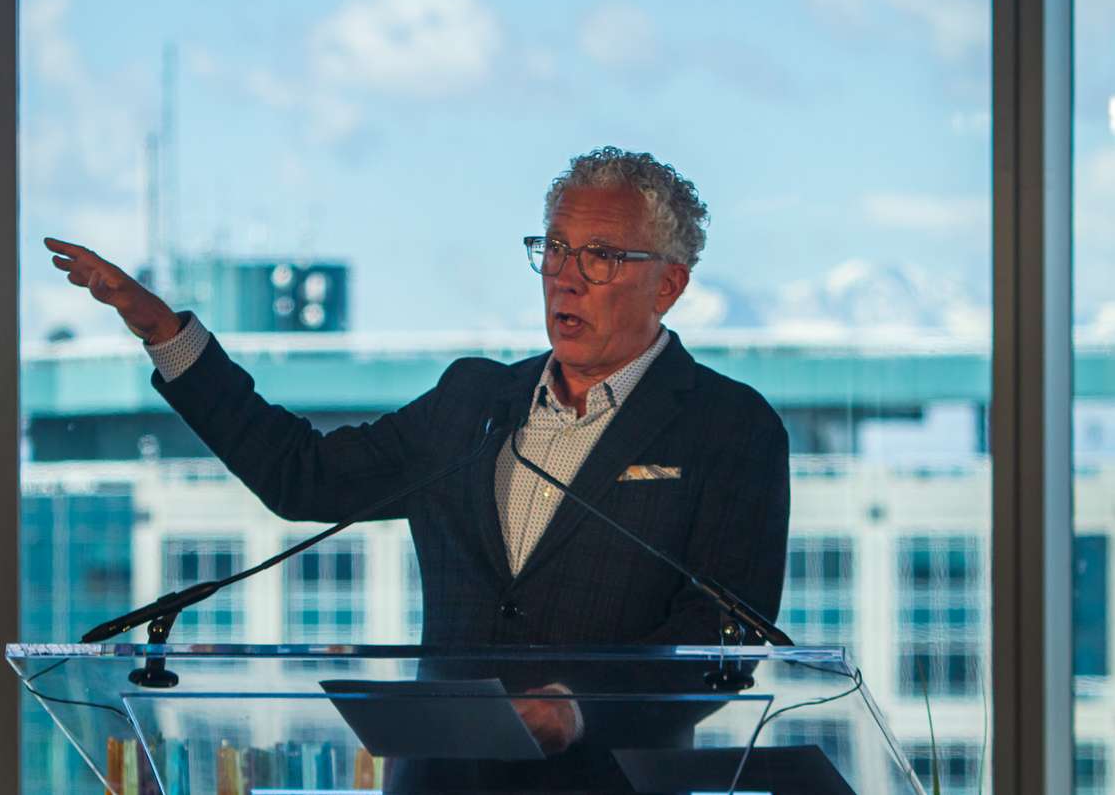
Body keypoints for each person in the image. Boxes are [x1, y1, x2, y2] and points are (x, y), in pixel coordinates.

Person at [48, 146, 790, 790]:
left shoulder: (729, 427)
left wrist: (576, 702)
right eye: (555, 248)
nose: (564, 277)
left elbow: (723, 637)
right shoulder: (474, 402)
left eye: (599, 255)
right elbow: (300, 475)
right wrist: (166, 335)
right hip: (438, 783)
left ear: (668, 284)